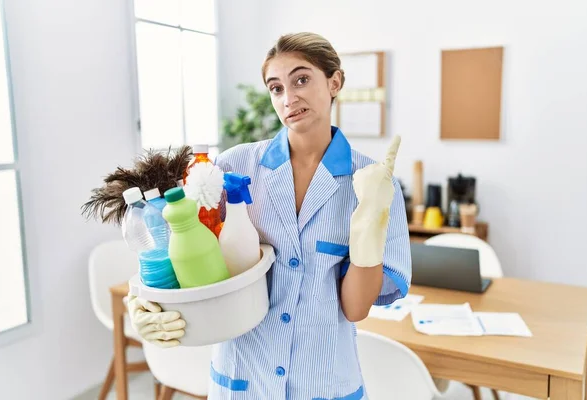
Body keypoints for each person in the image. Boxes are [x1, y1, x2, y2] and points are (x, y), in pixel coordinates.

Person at [128, 32, 411, 399]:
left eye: (302, 79)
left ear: (335, 81)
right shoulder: (233, 165)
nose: (289, 98)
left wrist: (369, 224)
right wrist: (144, 302)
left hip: (324, 382)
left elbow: (355, 309)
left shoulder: (373, 184)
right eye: (276, 88)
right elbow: (182, 252)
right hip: (243, 379)